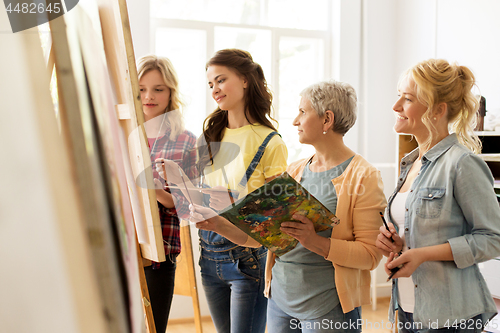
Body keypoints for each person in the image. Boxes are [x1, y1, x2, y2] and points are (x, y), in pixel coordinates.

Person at [191, 80, 387, 333]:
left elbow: (370, 256)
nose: (295, 121)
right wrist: (216, 222)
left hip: (327, 306)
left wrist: (314, 241)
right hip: (279, 302)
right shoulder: (294, 171)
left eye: (303, 112)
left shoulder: (364, 176)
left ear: (327, 119)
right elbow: (260, 238)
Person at [376, 59, 500, 332]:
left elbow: (493, 239)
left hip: (451, 316)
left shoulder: (462, 164)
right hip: (408, 307)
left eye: (407, 99)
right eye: (398, 96)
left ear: (437, 110)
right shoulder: (410, 163)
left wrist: (422, 254)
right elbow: (417, 229)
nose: (395, 107)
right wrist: (395, 241)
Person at [137, 54, 197, 333]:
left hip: (159, 253)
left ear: (171, 92)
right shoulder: (118, 133)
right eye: (142, 89)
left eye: (158, 89)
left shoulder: (186, 141)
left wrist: (156, 190)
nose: (149, 96)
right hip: (119, 247)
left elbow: (188, 207)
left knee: (152, 328)